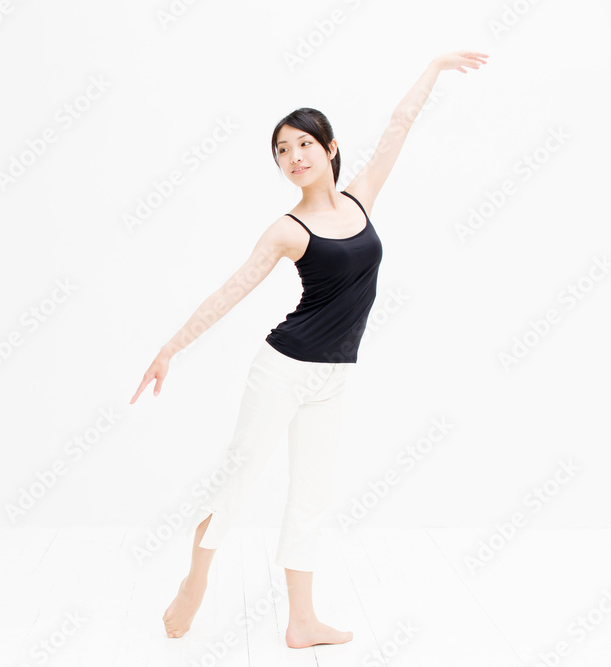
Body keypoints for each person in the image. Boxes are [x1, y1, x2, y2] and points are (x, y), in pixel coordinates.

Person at [129, 50, 489, 649]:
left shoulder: (359, 199)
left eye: (302, 145)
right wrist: (171, 346)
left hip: (334, 377)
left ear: (329, 148)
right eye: (281, 151)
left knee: (311, 497)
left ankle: (301, 621)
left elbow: (400, 124)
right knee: (237, 482)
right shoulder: (287, 230)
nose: (292, 158)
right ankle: (195, 580)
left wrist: (433, 67)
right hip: (282, 370)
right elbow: (230, 292)